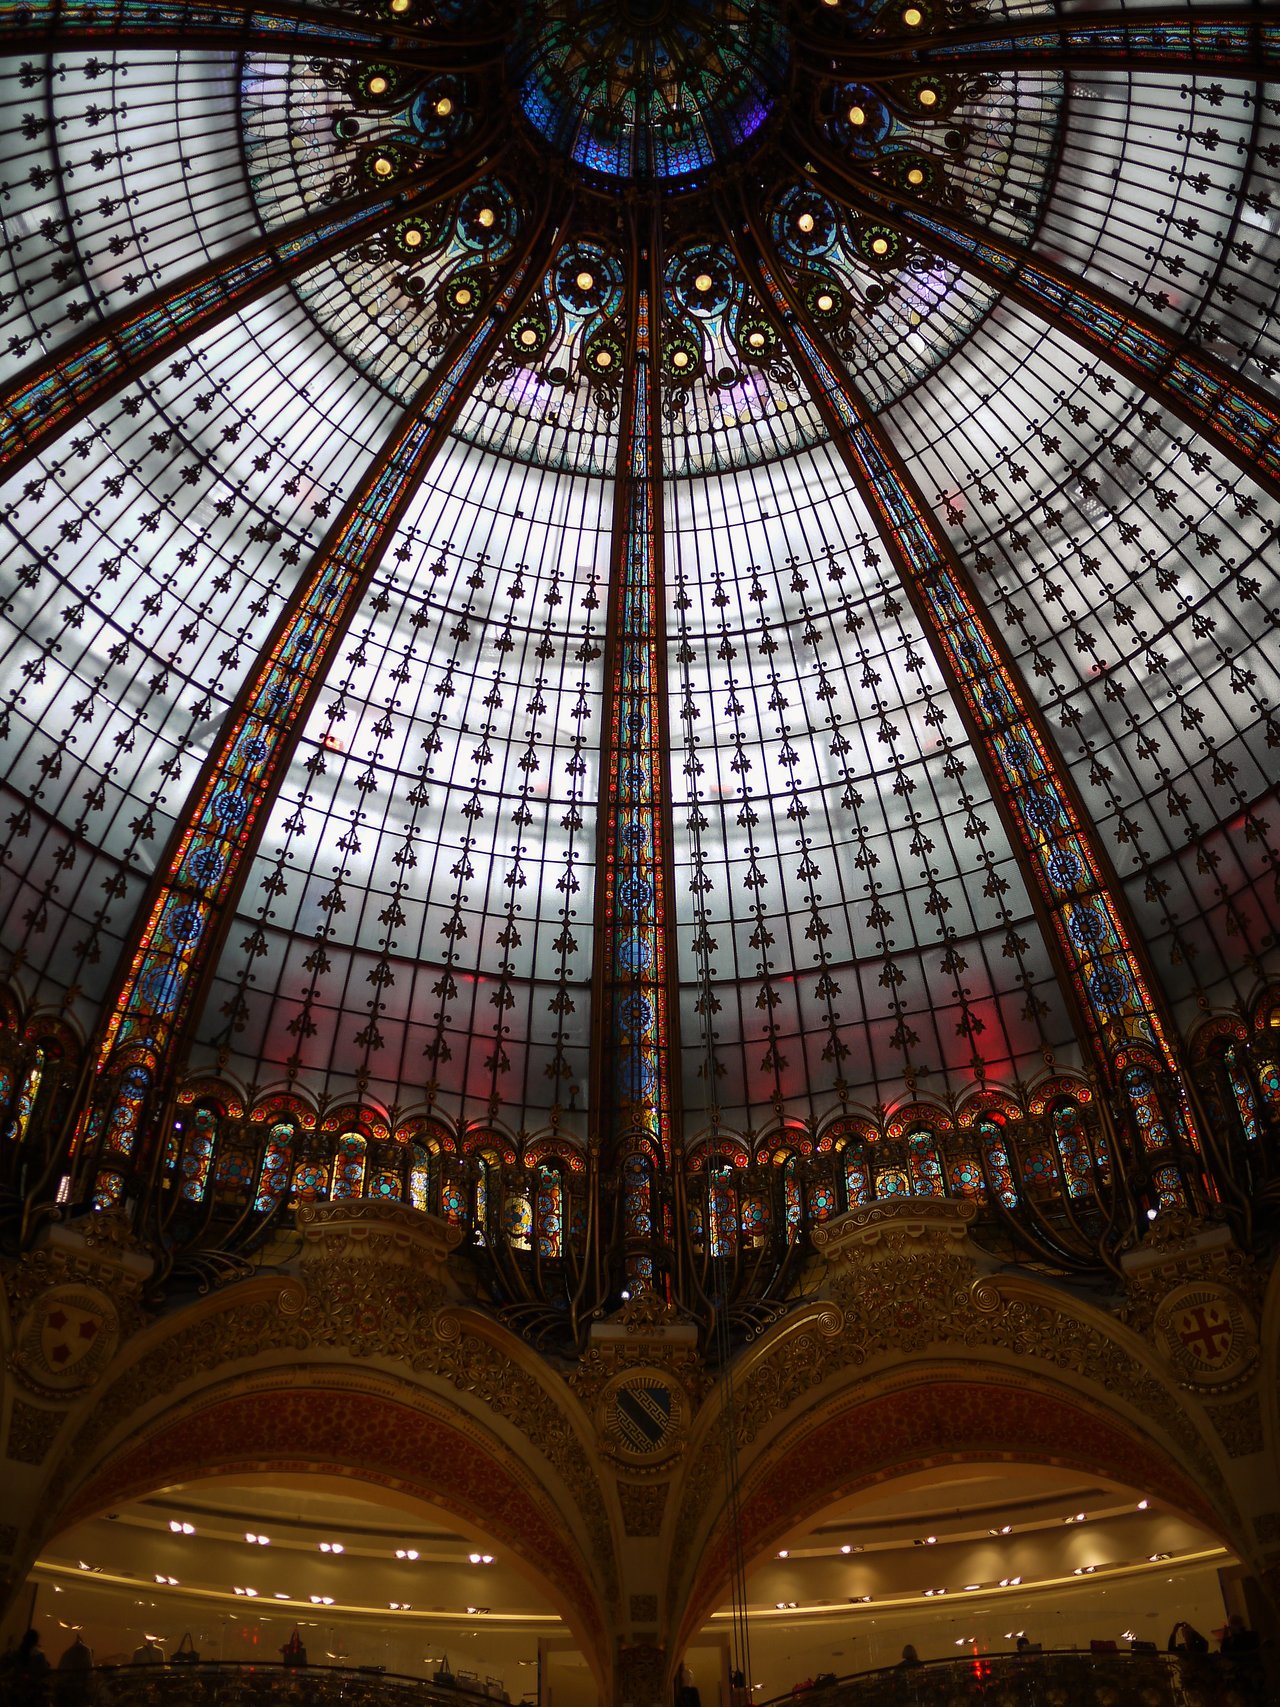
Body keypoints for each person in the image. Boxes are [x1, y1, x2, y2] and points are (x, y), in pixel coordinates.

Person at [4, 1631, 51, 1707]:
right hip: (31, 1693)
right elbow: (44, 1671)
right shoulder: (39, 1655)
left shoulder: (15, 1653)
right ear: (36, 1641)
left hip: (16, 1692)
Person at [54, 1636, 93, 1707]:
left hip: (67, 1689)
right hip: (77, 1689)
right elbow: (89, 1671)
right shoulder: (86, 1652)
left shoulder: (67, 1654)